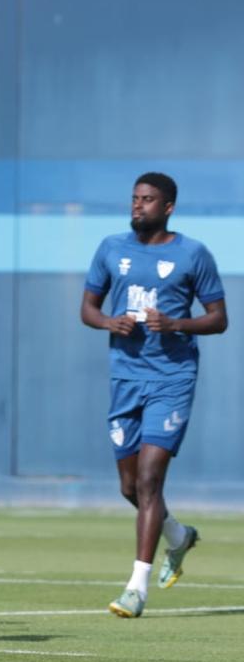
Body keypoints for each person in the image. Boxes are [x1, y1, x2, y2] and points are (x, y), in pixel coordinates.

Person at [80, 172, 227, 618]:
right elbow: (87, 308)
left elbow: (218, 319)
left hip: (172, 378)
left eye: (147, 200)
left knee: (149, 480)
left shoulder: (192, 254)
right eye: (134, 198)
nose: (137, 206)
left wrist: (176, 323)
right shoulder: (111, 248)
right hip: (125, 378)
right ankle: (179, 537)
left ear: (167, 207)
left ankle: (136, 588)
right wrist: (109, 322)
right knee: (130, 487)